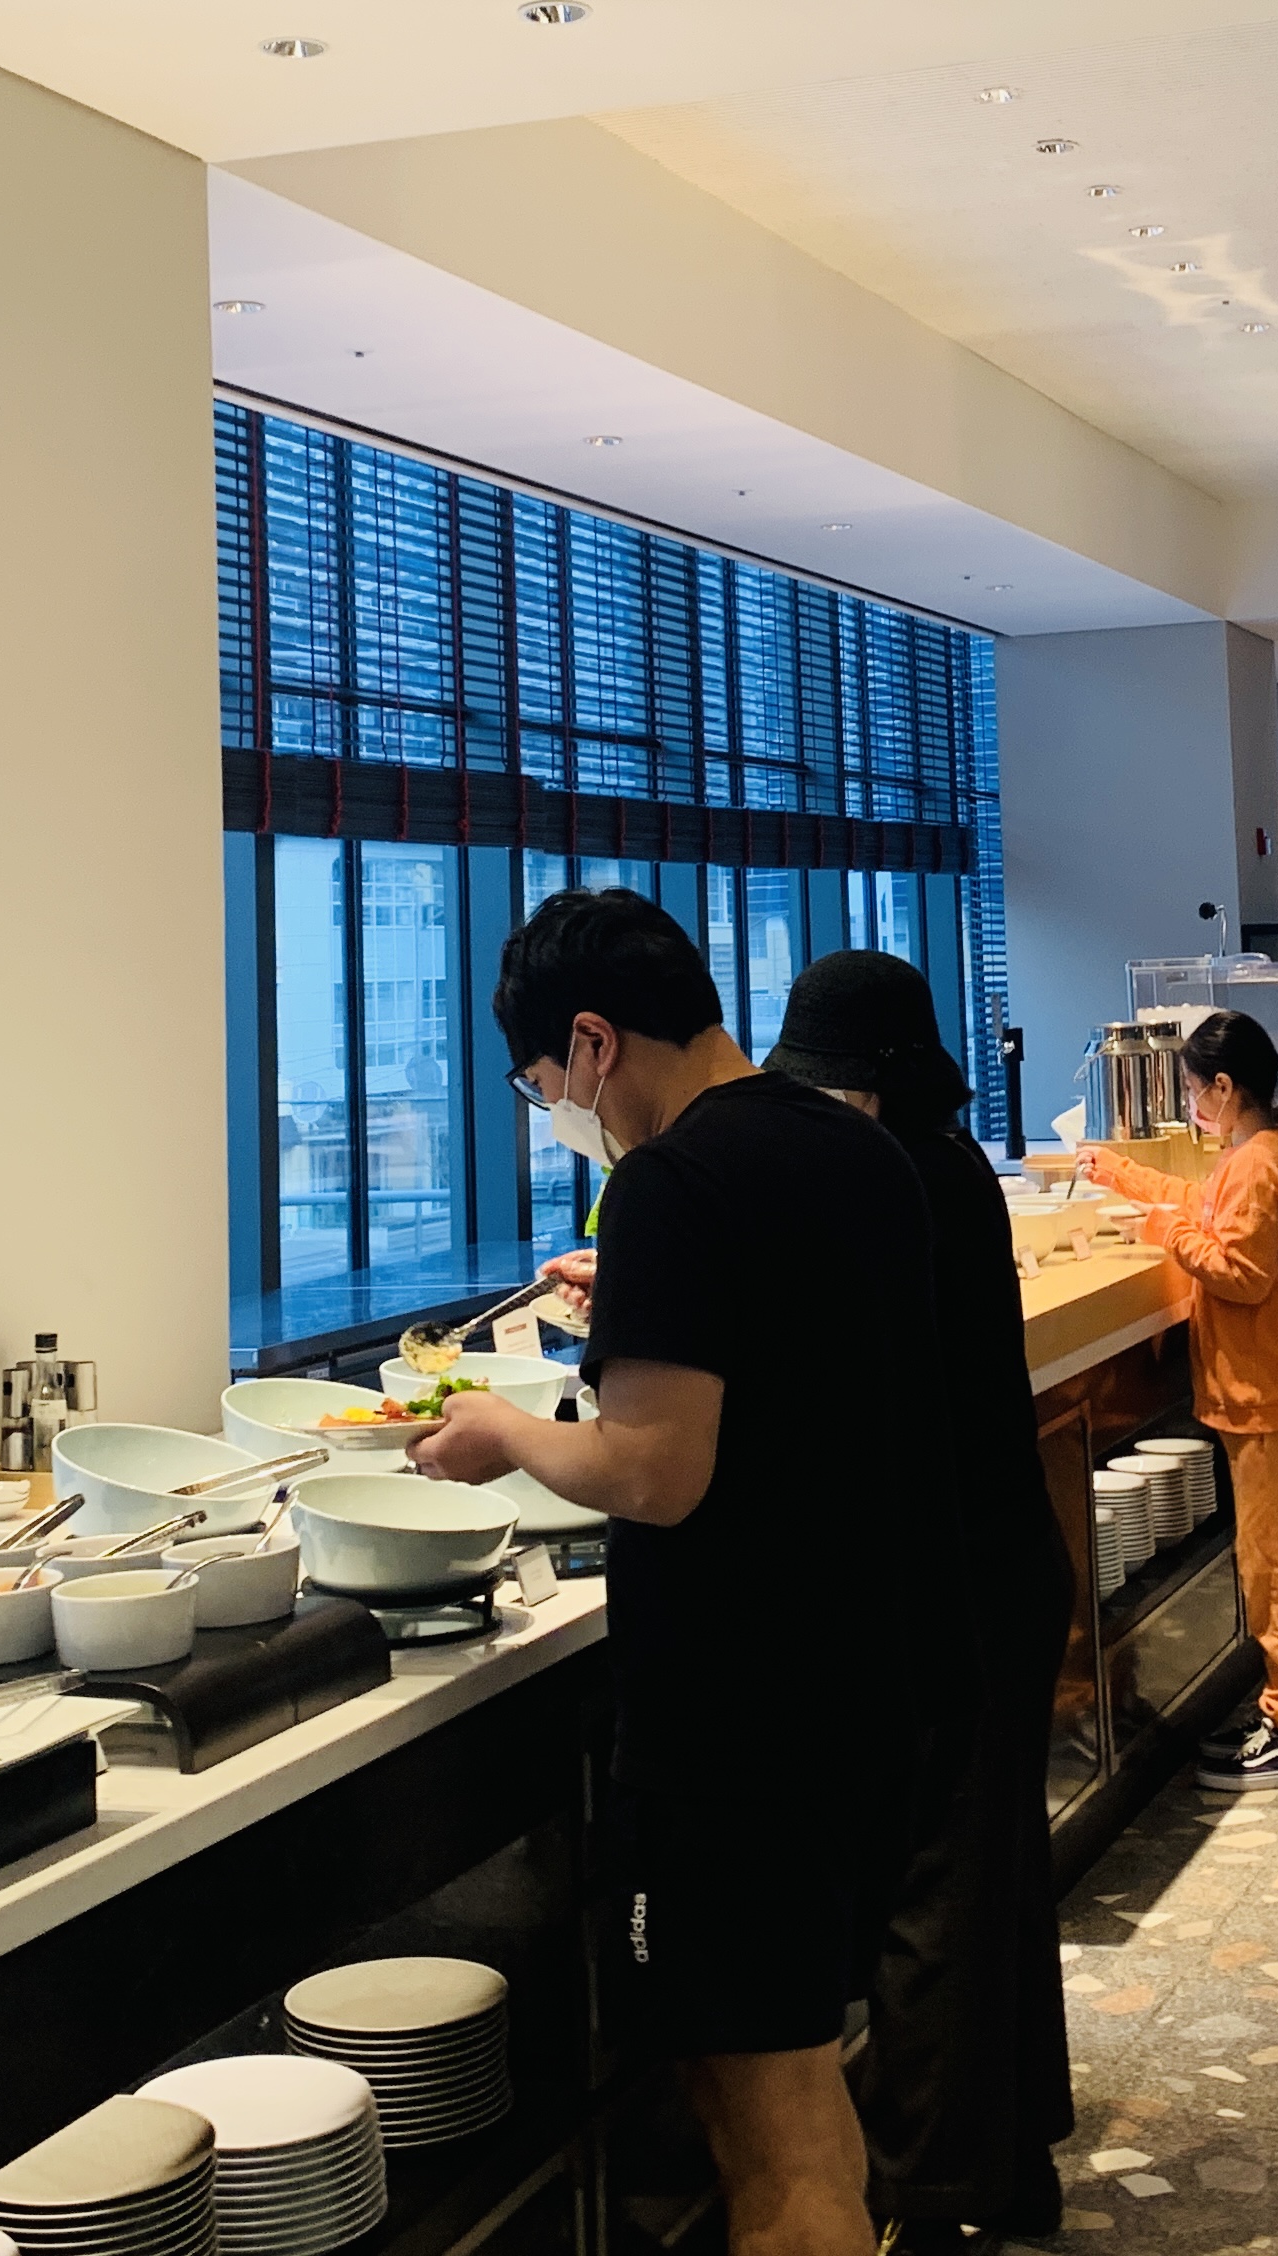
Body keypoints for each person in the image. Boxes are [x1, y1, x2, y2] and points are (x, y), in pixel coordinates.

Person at [413, 889, 942, 2256]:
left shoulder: (667, 1182)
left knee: (773, 2135)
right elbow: (805, 1363)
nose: (556, 1109)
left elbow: (656, 1471)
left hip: (736, 1732)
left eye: (545, 1080)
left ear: (595, 1042)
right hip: (865, 1686)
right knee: (793, 2069)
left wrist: (502, 1431)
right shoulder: (862, 1150)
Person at [758, 952, 1070, 2241]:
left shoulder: (907, 1181)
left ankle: (933, 2200)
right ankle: (1016, 2162)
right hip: (1000, 1564)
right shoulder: (942, 1168)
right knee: (994, 1882)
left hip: (962, 1579)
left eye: (828, 1085)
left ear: (874, 1083)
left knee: (935, 1895)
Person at [1074, 1014, 1278, 1788]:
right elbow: (1202, 1204)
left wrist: (1165, 1233)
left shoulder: (1258, 1164)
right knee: (1268, 1561)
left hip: (1269, 1391)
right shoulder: (1254, 1156)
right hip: (1267, 1388)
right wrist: (1123, 1175)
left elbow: (1243, 1276)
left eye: (1193, 1091)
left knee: (1276, 1569)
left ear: (1225, 1088)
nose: (1189, 1105)